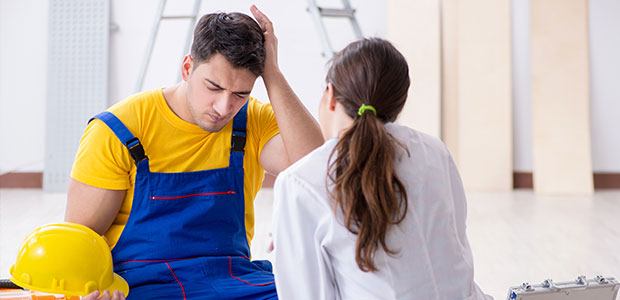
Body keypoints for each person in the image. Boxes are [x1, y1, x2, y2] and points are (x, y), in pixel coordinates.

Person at [66, 5, 323, 299]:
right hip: (141, 287)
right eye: (213, 87)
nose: (224, 107)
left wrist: (273, 74)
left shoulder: (252, 121)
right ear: (187, 67)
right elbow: (78, 242)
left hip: (233, 282)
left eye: (240, 94)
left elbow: (314, 167)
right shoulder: (119, 129)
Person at [272, 38, 492, 300]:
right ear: (398, 103)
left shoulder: (300, 182)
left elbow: (305, 294)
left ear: (330, 95)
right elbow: (453, 246)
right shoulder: (434, 151)